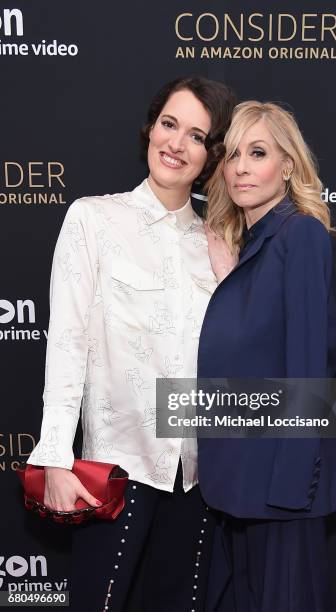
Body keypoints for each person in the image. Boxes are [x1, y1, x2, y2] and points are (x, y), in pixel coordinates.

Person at [26, 76, 236, 612]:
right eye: (169, 124)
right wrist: (55, 456)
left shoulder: (218, 241)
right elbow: (67, 342)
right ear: (149, 129)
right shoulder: (94, 219)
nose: (176, 144)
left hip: (197, 478)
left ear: (210, 156)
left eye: (195, 135)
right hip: (118, 469)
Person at [198, 101, 336, 612]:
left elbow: (308, 366)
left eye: (257, 153)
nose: (240, 167)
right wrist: (227, 279)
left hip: (280, 494)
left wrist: (288, 489)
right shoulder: (255, 243)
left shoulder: (299, 234)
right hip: (239, 489)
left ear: (286, 165)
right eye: (232, 154)